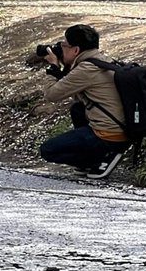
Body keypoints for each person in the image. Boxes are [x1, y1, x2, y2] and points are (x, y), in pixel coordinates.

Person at [33, 23, 129, 179]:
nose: (60, 49)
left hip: (109, 134)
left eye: (64, 45)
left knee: (48, 150)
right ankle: (91, 160)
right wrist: (64, 67)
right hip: (123, 128)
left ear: (76, 50)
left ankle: (102, 158)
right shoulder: (102, 60)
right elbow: (78, 95)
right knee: (77, 109)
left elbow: (51, 95)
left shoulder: (86, 70)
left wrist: (53, 67)